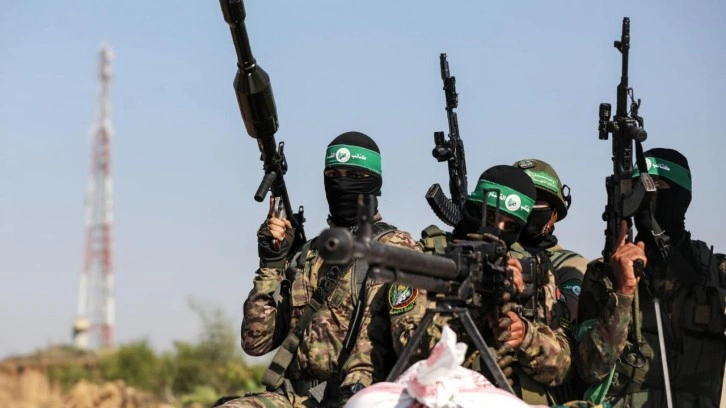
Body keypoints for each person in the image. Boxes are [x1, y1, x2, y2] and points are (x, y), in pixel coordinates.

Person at [219, 131, 421, 408]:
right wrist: (271, 264)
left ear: (374, 183)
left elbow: (411, 347)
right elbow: (256, 343)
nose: (342, 184)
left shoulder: (395, 248)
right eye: (333, 175)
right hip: (294, 398)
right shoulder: (307, 254)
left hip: (359, 399)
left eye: (354, 175)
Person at [390, 165, 572, 406]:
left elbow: (562, 368)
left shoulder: (533, 270)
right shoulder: (427, 260)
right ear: (473, 209)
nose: (498, 231)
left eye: (511, 226)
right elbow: (409, 347)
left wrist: (525, 336)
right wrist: (478, 300)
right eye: (491, 218)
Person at [576, 148, 726, 407]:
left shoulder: (715, 272)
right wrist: (623, 292)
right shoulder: (603, 275)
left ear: (682, 196)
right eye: (641, 189)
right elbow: (590, 369)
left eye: (659, 185)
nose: (649, 197)